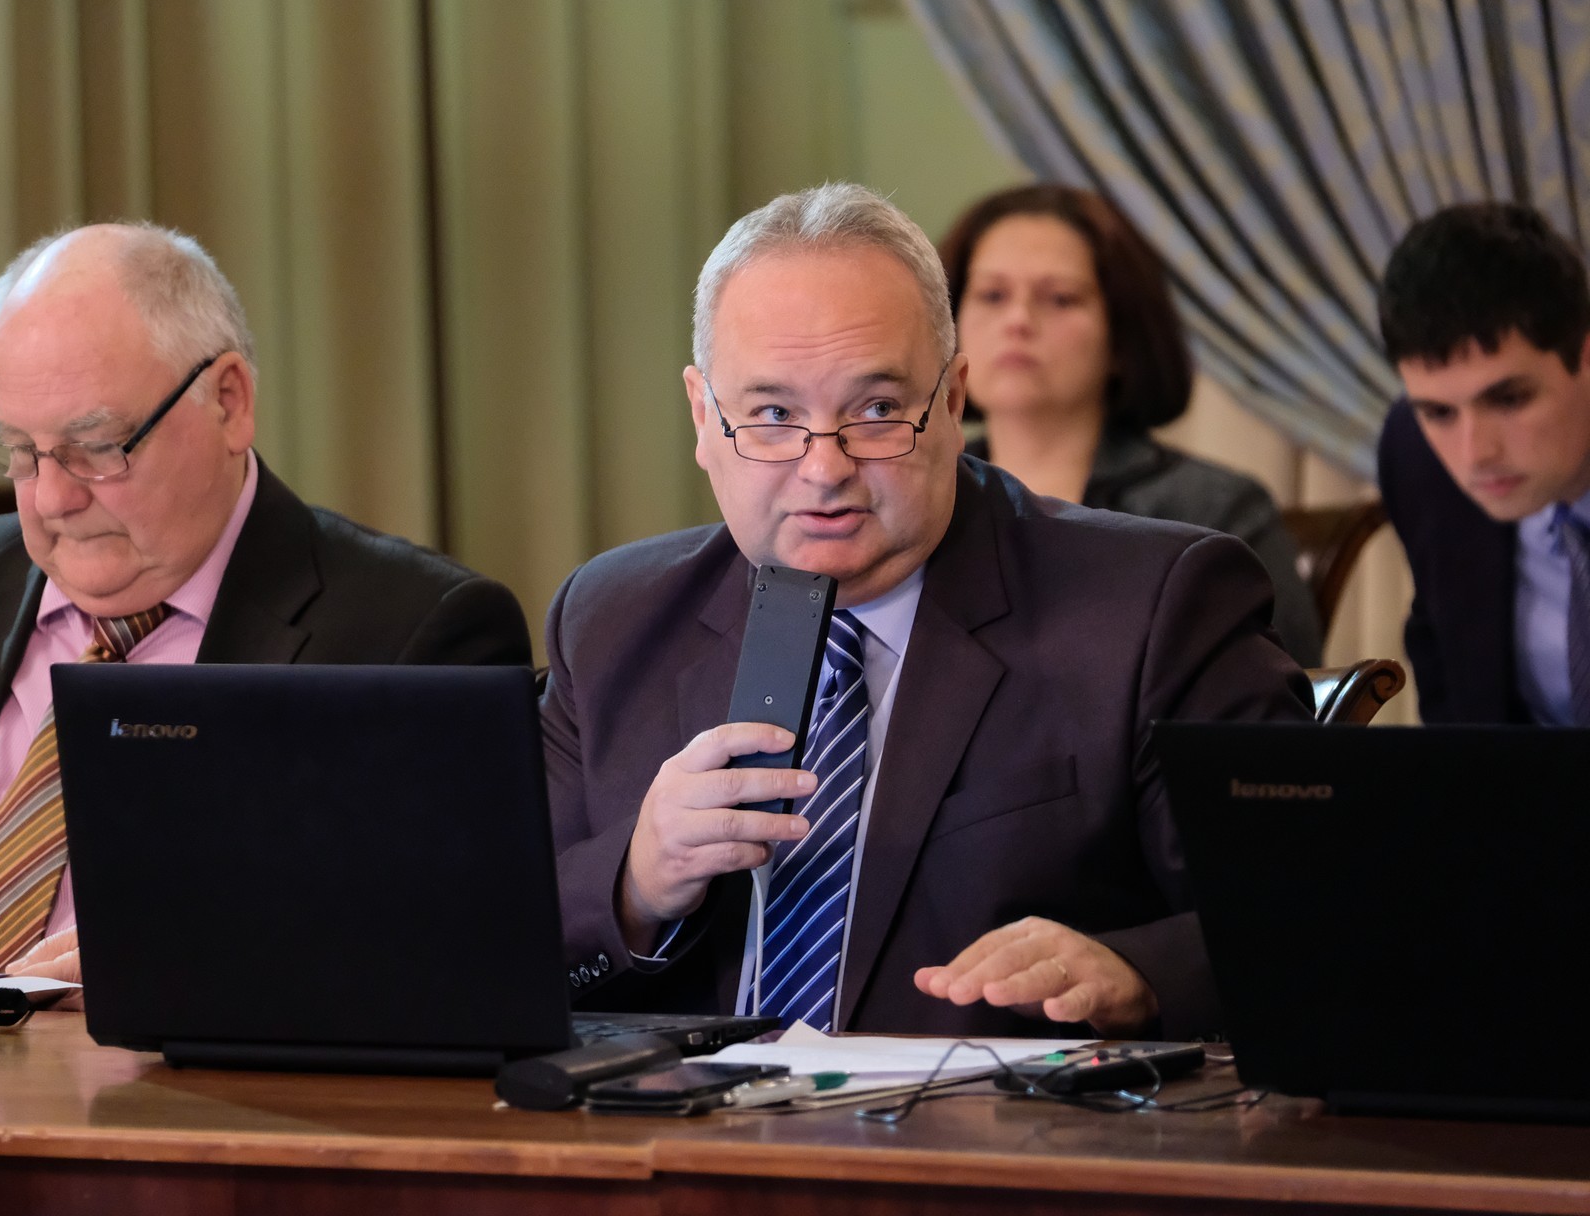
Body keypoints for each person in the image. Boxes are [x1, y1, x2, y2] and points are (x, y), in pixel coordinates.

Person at [543, 183, 1310, 1041]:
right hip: (677, 1119)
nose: (824, 469)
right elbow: (485, 941)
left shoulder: (1153, 605)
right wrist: (634, 886)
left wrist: (1138, 977)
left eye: (876, 411)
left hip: (988, 1120)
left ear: (950, 401)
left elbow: (1309, 919)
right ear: (702, 415)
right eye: (773, 416)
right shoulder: (612, 621)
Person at [0, 223, 533, 985]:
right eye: (18, 450)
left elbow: (445, 946)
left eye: (96, 448)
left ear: (228, 402)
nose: (51, 498)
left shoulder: (414, 632)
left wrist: (197, 970)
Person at [939, 184, 1323, 666]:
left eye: (1060, 298)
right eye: (992, 295)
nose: (1018, 320)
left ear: (1121, 337)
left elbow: (1286, 697)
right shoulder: (922, 491)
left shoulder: (1215, 511)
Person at [1376, 201, 1590, 724]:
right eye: (1439, 412)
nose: (1476, 454)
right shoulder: (1415, 459)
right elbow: (1448, 677)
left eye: (1509, 399)